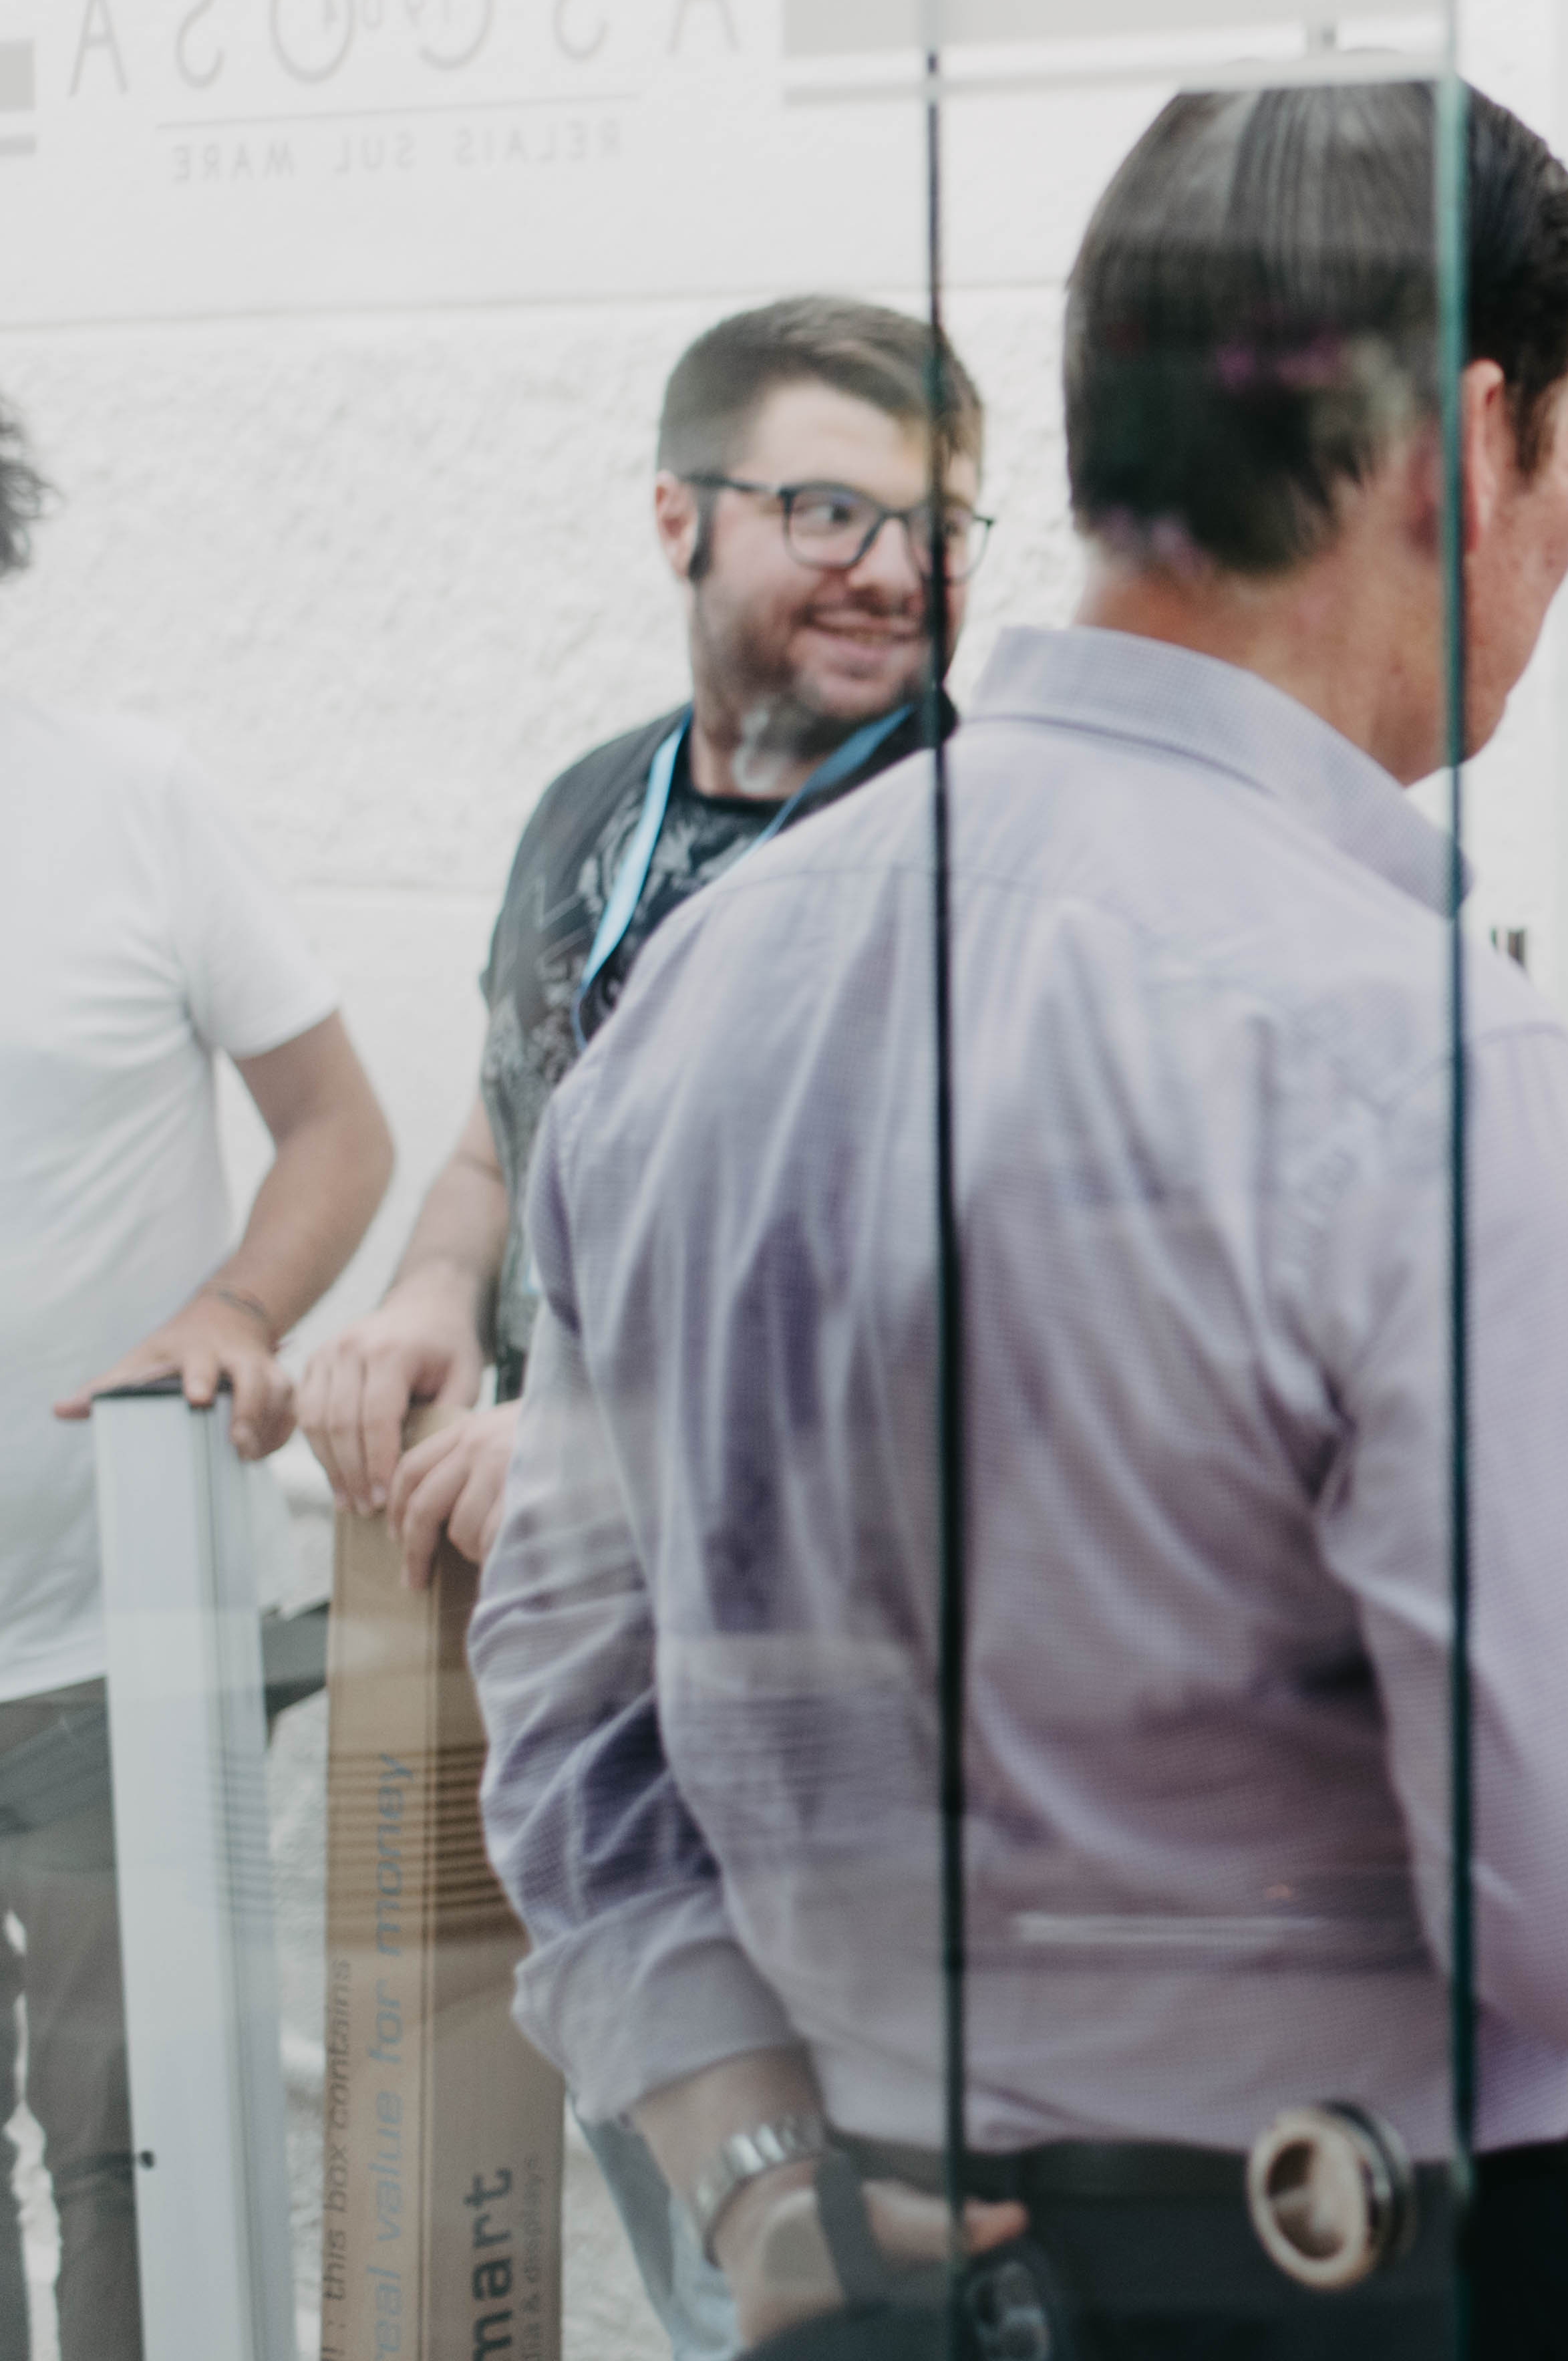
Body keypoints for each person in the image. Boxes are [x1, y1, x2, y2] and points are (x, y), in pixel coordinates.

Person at [468, 82, 1568, 2357]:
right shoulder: (1422, 1055)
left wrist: (757, 2173)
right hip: (1349, 2270)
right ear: (1469, 442)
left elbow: (575, 1719)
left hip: (864, 2265)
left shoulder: (706, 981)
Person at [296, 294, 986, 2359]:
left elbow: (967, 1293)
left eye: (942, 525)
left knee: (880, 2295)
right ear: (679, 517)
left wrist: (604, 1432)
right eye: (831, 510)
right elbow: (508, 1126)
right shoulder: (593, 809)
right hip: (602, 1713)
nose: (894, 568)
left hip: (856, 1723)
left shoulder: (980, 843)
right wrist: (437, 1286)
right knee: (724, 2285)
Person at [3, 388, 398, 2359]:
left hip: (110, 1650)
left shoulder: (128, 800)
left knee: (136, 2175)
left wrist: (241, 1306)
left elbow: (339, 1128)